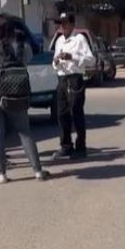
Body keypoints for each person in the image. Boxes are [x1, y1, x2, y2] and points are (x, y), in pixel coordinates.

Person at [0, 15, 49, 184]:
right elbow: (27, 61)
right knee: (24, 131)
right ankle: (37, 171)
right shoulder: (23, 46)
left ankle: (2, 174)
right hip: (16, 91)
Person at [52, 12, 95, 159]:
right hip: (62, 78)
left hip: (75, 78)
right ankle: (66, 145)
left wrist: (72, 57)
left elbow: (91, 60)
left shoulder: (79, 39)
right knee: (62, 113)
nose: (62, 27)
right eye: (60, 24)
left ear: (71, 24)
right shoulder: (59, 41)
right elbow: (54, 63)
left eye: (64, 23)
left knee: (76, 112)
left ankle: (81, 147)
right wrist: (57, 61)